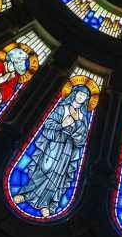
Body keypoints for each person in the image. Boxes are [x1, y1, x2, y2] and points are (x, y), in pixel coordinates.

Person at [13, 84, 92, 216]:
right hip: (54, 144)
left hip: (68, 149)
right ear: (74, 93)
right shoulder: (62, 108)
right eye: (79, 93)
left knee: (58, 175)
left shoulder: (83, 117)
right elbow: (48, 124)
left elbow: (82, 138)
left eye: (84, 96)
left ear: (86, 99)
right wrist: (62, 125)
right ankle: (26, 194)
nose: (80, 97)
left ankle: (47, 204)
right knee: (45, 168)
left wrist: (76, 124)